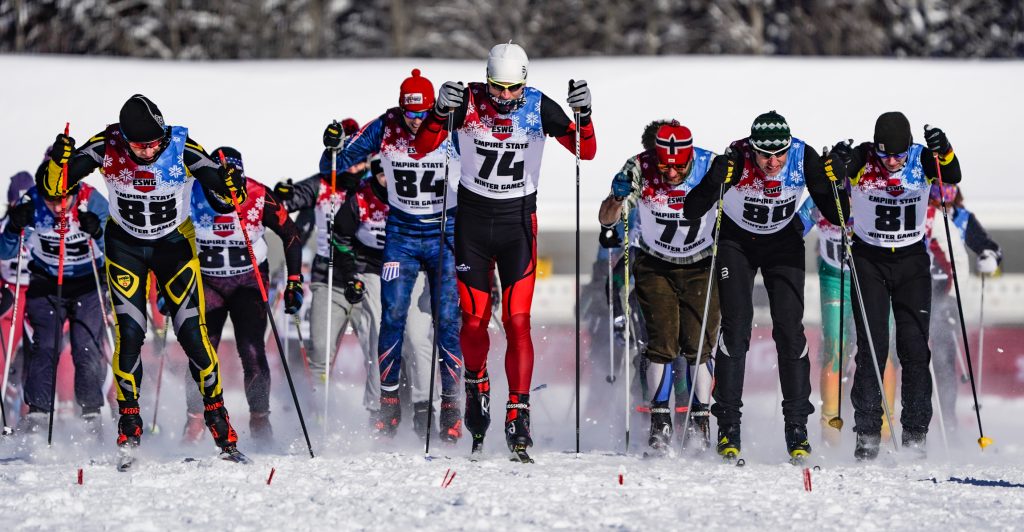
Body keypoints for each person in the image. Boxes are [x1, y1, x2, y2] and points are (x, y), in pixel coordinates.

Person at [37, 94, 249, 461]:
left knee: (193, 335)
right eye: (139, 145)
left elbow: (230, 196)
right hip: (126, 247)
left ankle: (219, 423)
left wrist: (231, 179)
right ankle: (129, 427)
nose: (148, 151)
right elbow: (54, 188)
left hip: (174, 246)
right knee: (130, 333)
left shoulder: (180, 144)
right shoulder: (108, 144)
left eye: (153, 144)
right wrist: (59, 160)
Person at [412, 42, 596, 457]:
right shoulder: (469, 100)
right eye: (498, 88)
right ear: (487, 79)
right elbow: (424, 147)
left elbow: (587, 150)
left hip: (517, 225)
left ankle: (518, 411)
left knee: (517, 322)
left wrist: (584, 116)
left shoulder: (538, 105)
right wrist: (440, 111)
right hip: (473, 224)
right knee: (474, 323)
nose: (506, 98)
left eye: (513, 89)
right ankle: (476, 386)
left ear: (525, 82)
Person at [684, 111, 846, 462]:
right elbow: (692, 209)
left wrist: (837, 180)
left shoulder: (804, 158)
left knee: (790, 331)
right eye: (764, 154)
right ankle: (728, 426)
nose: (772, 163)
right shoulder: (736, 159)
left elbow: (837, 215)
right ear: (752, 149)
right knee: (737, 327)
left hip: (782, 243)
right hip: (736, 243)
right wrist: (714, 181)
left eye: (779, 154)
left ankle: (797, 427)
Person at [319, 69, 462, 442]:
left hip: (443, 232)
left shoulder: (452, 125)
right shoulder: (385, 126)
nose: (416, 123)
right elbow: (330, 169)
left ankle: (449, 404)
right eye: (410, 115)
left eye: (423, 114)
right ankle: (387, 404)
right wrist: (332, 147)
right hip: (402, 235)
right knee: (392, 316)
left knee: (445, 320)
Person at [827, 111, 961, 459]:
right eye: (886, 154)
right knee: (873, 350)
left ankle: (916, 435)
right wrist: (836, 160)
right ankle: (867, 435)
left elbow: (954, 174)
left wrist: (943, 149)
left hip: (911, 262)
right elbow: (831, 177)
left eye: (897, 155)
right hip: (869, 261)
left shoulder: (920, 157)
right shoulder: (865, 157)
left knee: (915, 350)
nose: (891, 162)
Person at [598, 121, 719, 454]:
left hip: (700, 264)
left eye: (679, 165)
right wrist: (616, 196)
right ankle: (660, 421)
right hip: (656, 264)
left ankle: (700, 419)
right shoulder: (640, 166)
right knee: (660, 343)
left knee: (698, 346)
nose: (671, 172)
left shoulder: (709, 164)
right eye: (664, 163)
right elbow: (607, 218)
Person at [180, 147, 304, 445]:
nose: (227, 189)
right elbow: (167, 236)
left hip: (249, 282)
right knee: (200, 351)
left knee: (251, 350)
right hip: (208, 282)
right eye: (221, 181)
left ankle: (260, 420)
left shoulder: (258, 194)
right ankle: (195, 420)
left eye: (234, 181)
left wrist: (295, 281)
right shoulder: (190, 193)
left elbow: (291, 233)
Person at [330, 153, 437, 437]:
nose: (388, 182)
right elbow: (340, 237)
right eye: (381, 175)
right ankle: (380, 407)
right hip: (374, 269)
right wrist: (351, 275)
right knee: (380, 334)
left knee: (416, 337)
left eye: (393, 175)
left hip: (412, 269)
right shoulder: (361, 198)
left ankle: (425, 405)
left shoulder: (415, 191)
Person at [0, 179, 108, 434]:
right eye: (50, 201)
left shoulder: (91, 200)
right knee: (46, 346)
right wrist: (14, 228)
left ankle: (91, 415)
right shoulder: (32, 202)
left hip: (87, 283)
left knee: (86, 347)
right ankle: (37, 417)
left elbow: (115, 248)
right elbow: (5, 253)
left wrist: (98, 232)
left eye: (63, 200)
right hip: (46, 282)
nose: (58, 208)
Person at [925, 183, 1001, 433]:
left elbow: (987, 245)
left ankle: (948, 420)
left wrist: (988, 257)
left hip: (946, 293)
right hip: (914, 287)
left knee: (944, 359)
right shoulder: (920, 211)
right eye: (937, 202)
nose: (942, 207)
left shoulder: (963, 218)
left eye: (946, 201)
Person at [0, 171, 34, 418]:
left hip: (36, 292)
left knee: (40, 356)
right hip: (11, 292)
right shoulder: (3, 228)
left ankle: (32, 412)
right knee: (2, 355)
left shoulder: (42, 224)